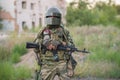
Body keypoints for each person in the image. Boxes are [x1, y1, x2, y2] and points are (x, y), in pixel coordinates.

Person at [33, 7, 77, 80]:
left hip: (62, 62)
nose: (52, 18)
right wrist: (45, 43)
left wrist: (61, 43)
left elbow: (72, 46)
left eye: (55, 17)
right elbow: (35, 47)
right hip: (47, 64)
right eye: (50, 16)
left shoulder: (64, 31)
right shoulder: (43, 31)